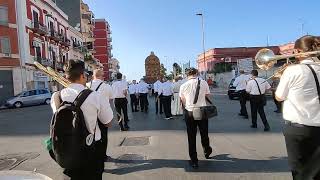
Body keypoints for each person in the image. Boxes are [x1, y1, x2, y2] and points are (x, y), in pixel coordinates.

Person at [51, 60, 113, 180]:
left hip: (66, 150)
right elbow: (108, 122)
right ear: (83, 75)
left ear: (66, 77)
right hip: (91, 150)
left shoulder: (56, 96)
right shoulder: (95, 96)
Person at [275, 35, 320, 179]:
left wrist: (283, 76)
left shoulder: (292, 70)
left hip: (298, 130)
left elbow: (279, 97)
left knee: (300, 174)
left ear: (297, 51)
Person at [179, 68, 213, 169]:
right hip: (202, 111)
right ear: (196, 74)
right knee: (204, 133)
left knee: (191, 136)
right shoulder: (204, 83)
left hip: (190, 112)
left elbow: (183, 100)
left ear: (187, 75)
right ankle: (207, 150)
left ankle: (194, 161)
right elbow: (208, 95)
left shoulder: (183, 85)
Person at [86, 69, 113, 160]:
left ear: (93, 76)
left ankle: (92, 155)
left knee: (91, 135)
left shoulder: (86, 85)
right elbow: (110, 99)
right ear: (102, 76)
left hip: (89, 114)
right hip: (103, 115)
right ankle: (103, 156)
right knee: (104, 135)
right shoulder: (107, 86)